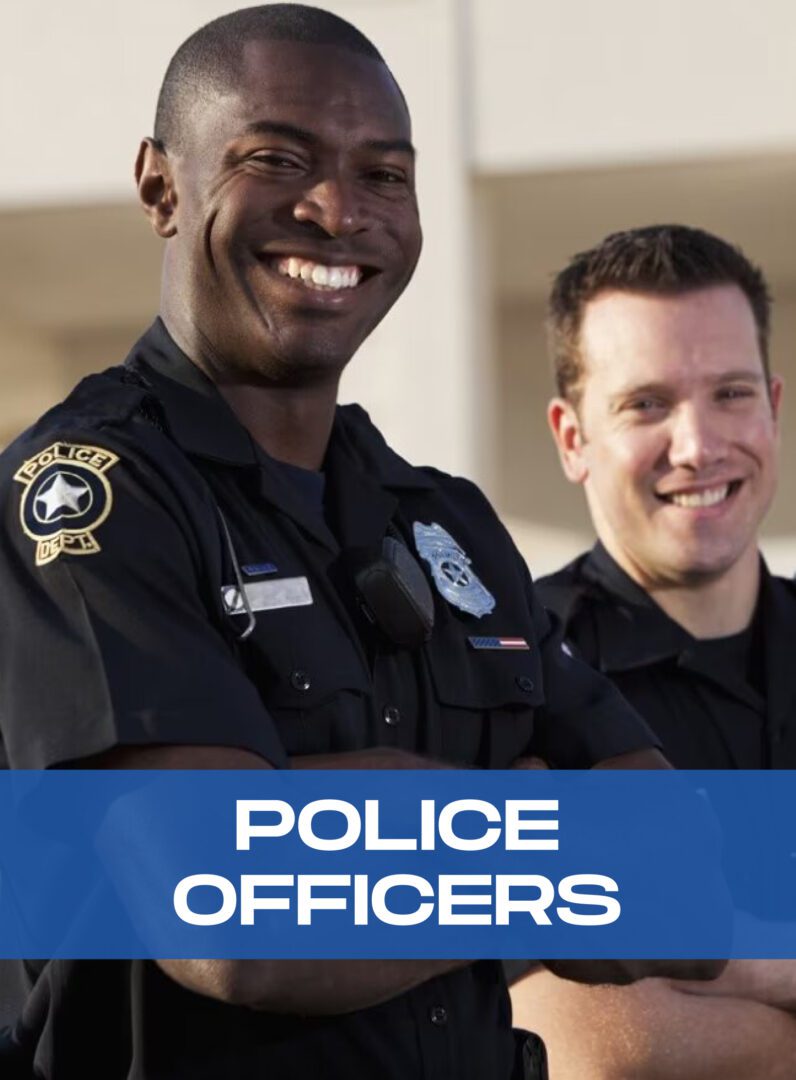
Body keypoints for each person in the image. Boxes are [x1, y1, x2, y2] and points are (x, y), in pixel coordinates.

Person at [0, 12, 720, 1078]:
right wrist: (540, 821)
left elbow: (688, 901)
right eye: (277, 159)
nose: (337, 210)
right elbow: (240, 923)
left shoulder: (447, 525)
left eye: (383, 175)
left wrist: (354, 823)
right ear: (161, 186)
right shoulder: (88, 499)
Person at [510, 224, 796, 1078]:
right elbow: (586, 1046)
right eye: (647, 404)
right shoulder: (502, 678)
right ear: (572, 438)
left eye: (732, 394)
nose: (700, 446)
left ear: (775, 407)